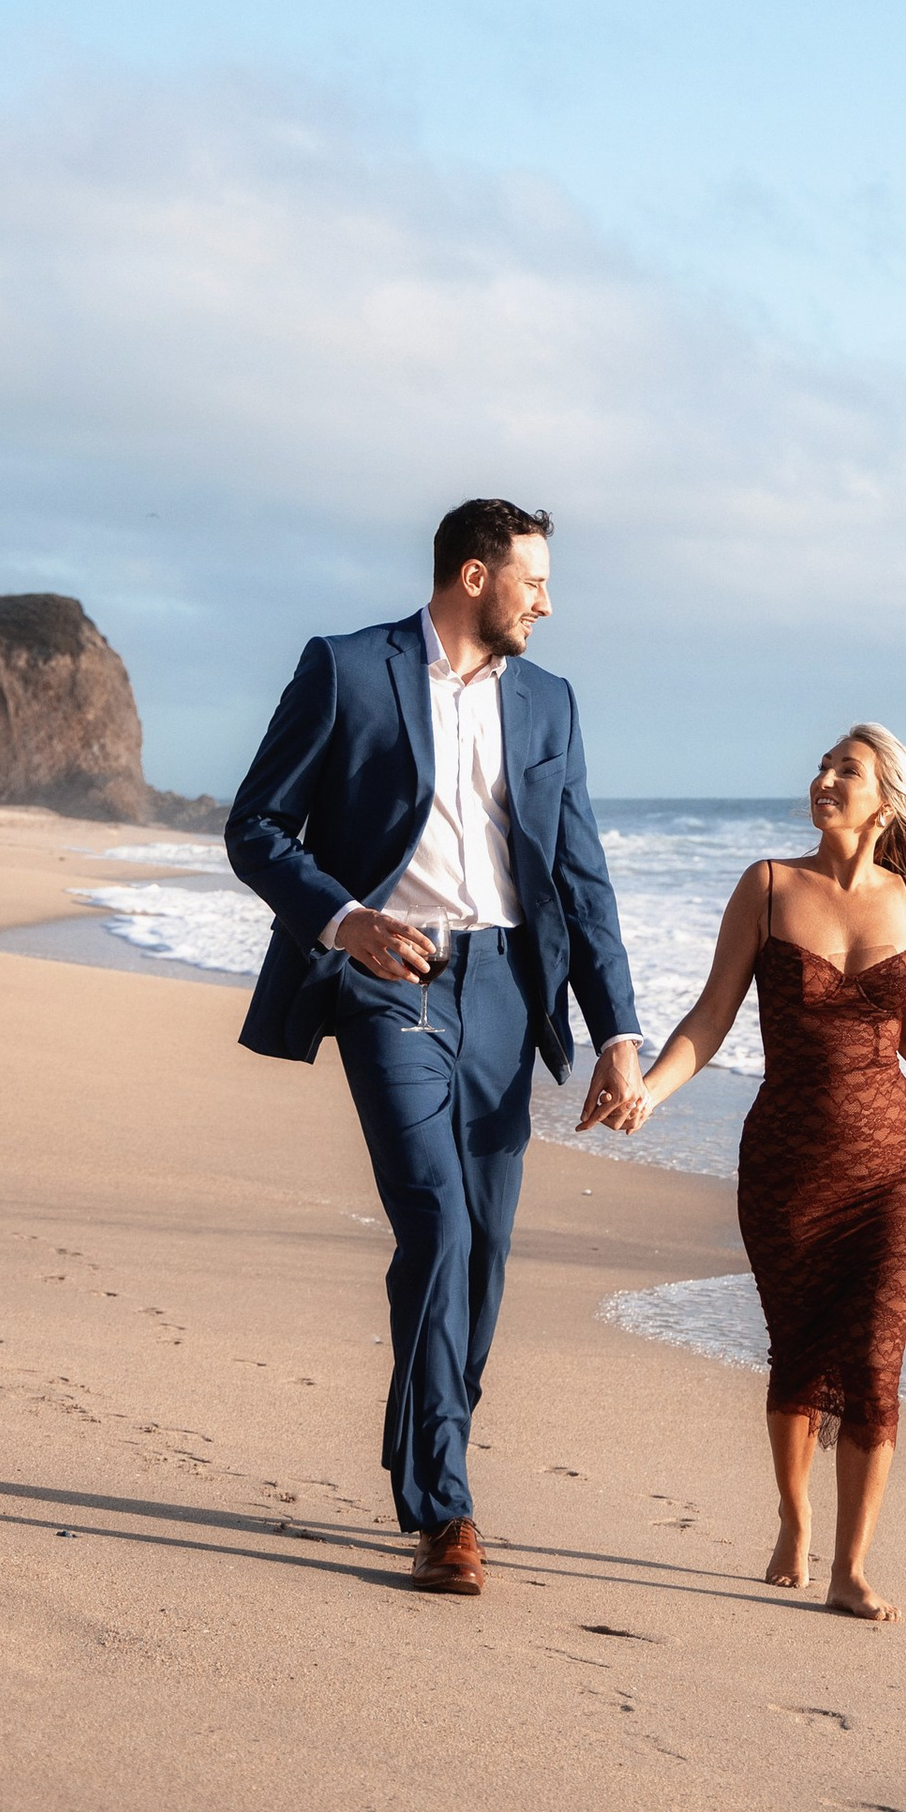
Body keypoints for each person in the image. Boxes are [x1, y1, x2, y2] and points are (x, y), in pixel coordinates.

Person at [226, 499, 645, 1595]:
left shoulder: (550, 704)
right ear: (473, 576)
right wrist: (344, 919)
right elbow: (255, 826)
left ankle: (426, 1451)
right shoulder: (348, 669)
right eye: (533, 582)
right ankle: (445, 1508)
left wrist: (618, 1031)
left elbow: (581, 875)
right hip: (387, 982)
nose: (548, 603)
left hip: (509, 990)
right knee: (438, 1226)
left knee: (488, 1253)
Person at [587, 725, 906, 1622]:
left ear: (886, 797)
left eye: (846, 770)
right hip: (789, 1157)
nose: (823, 779)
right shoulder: (769, 885)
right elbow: (711, 1016)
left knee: (875, 1360)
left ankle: (851, 1567)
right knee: (797, 1348)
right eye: (823, 766)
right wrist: (654, 1093)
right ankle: (795, 1518)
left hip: (897, 1162)